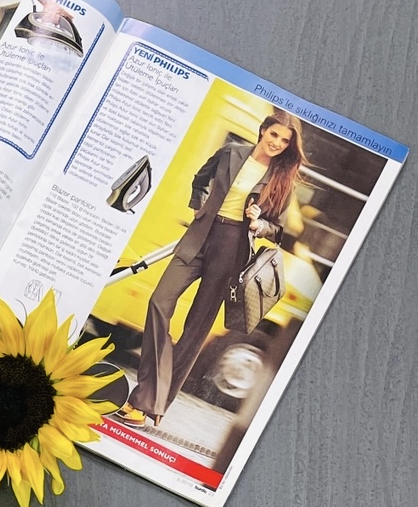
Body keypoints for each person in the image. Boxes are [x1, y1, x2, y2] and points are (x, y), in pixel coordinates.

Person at [115, 110, 305, 427]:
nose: (277, 143)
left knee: (195, 330)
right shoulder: (232, 152)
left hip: (232, 248)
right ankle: (154, 399)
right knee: (159, 302)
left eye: (285, 141)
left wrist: (259, 224)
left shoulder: (282, 180)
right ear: (263, 130)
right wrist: (198, 208)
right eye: (274, 135)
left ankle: (145, 404)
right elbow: (200, 180)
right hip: (199, 236)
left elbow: (278, 230)